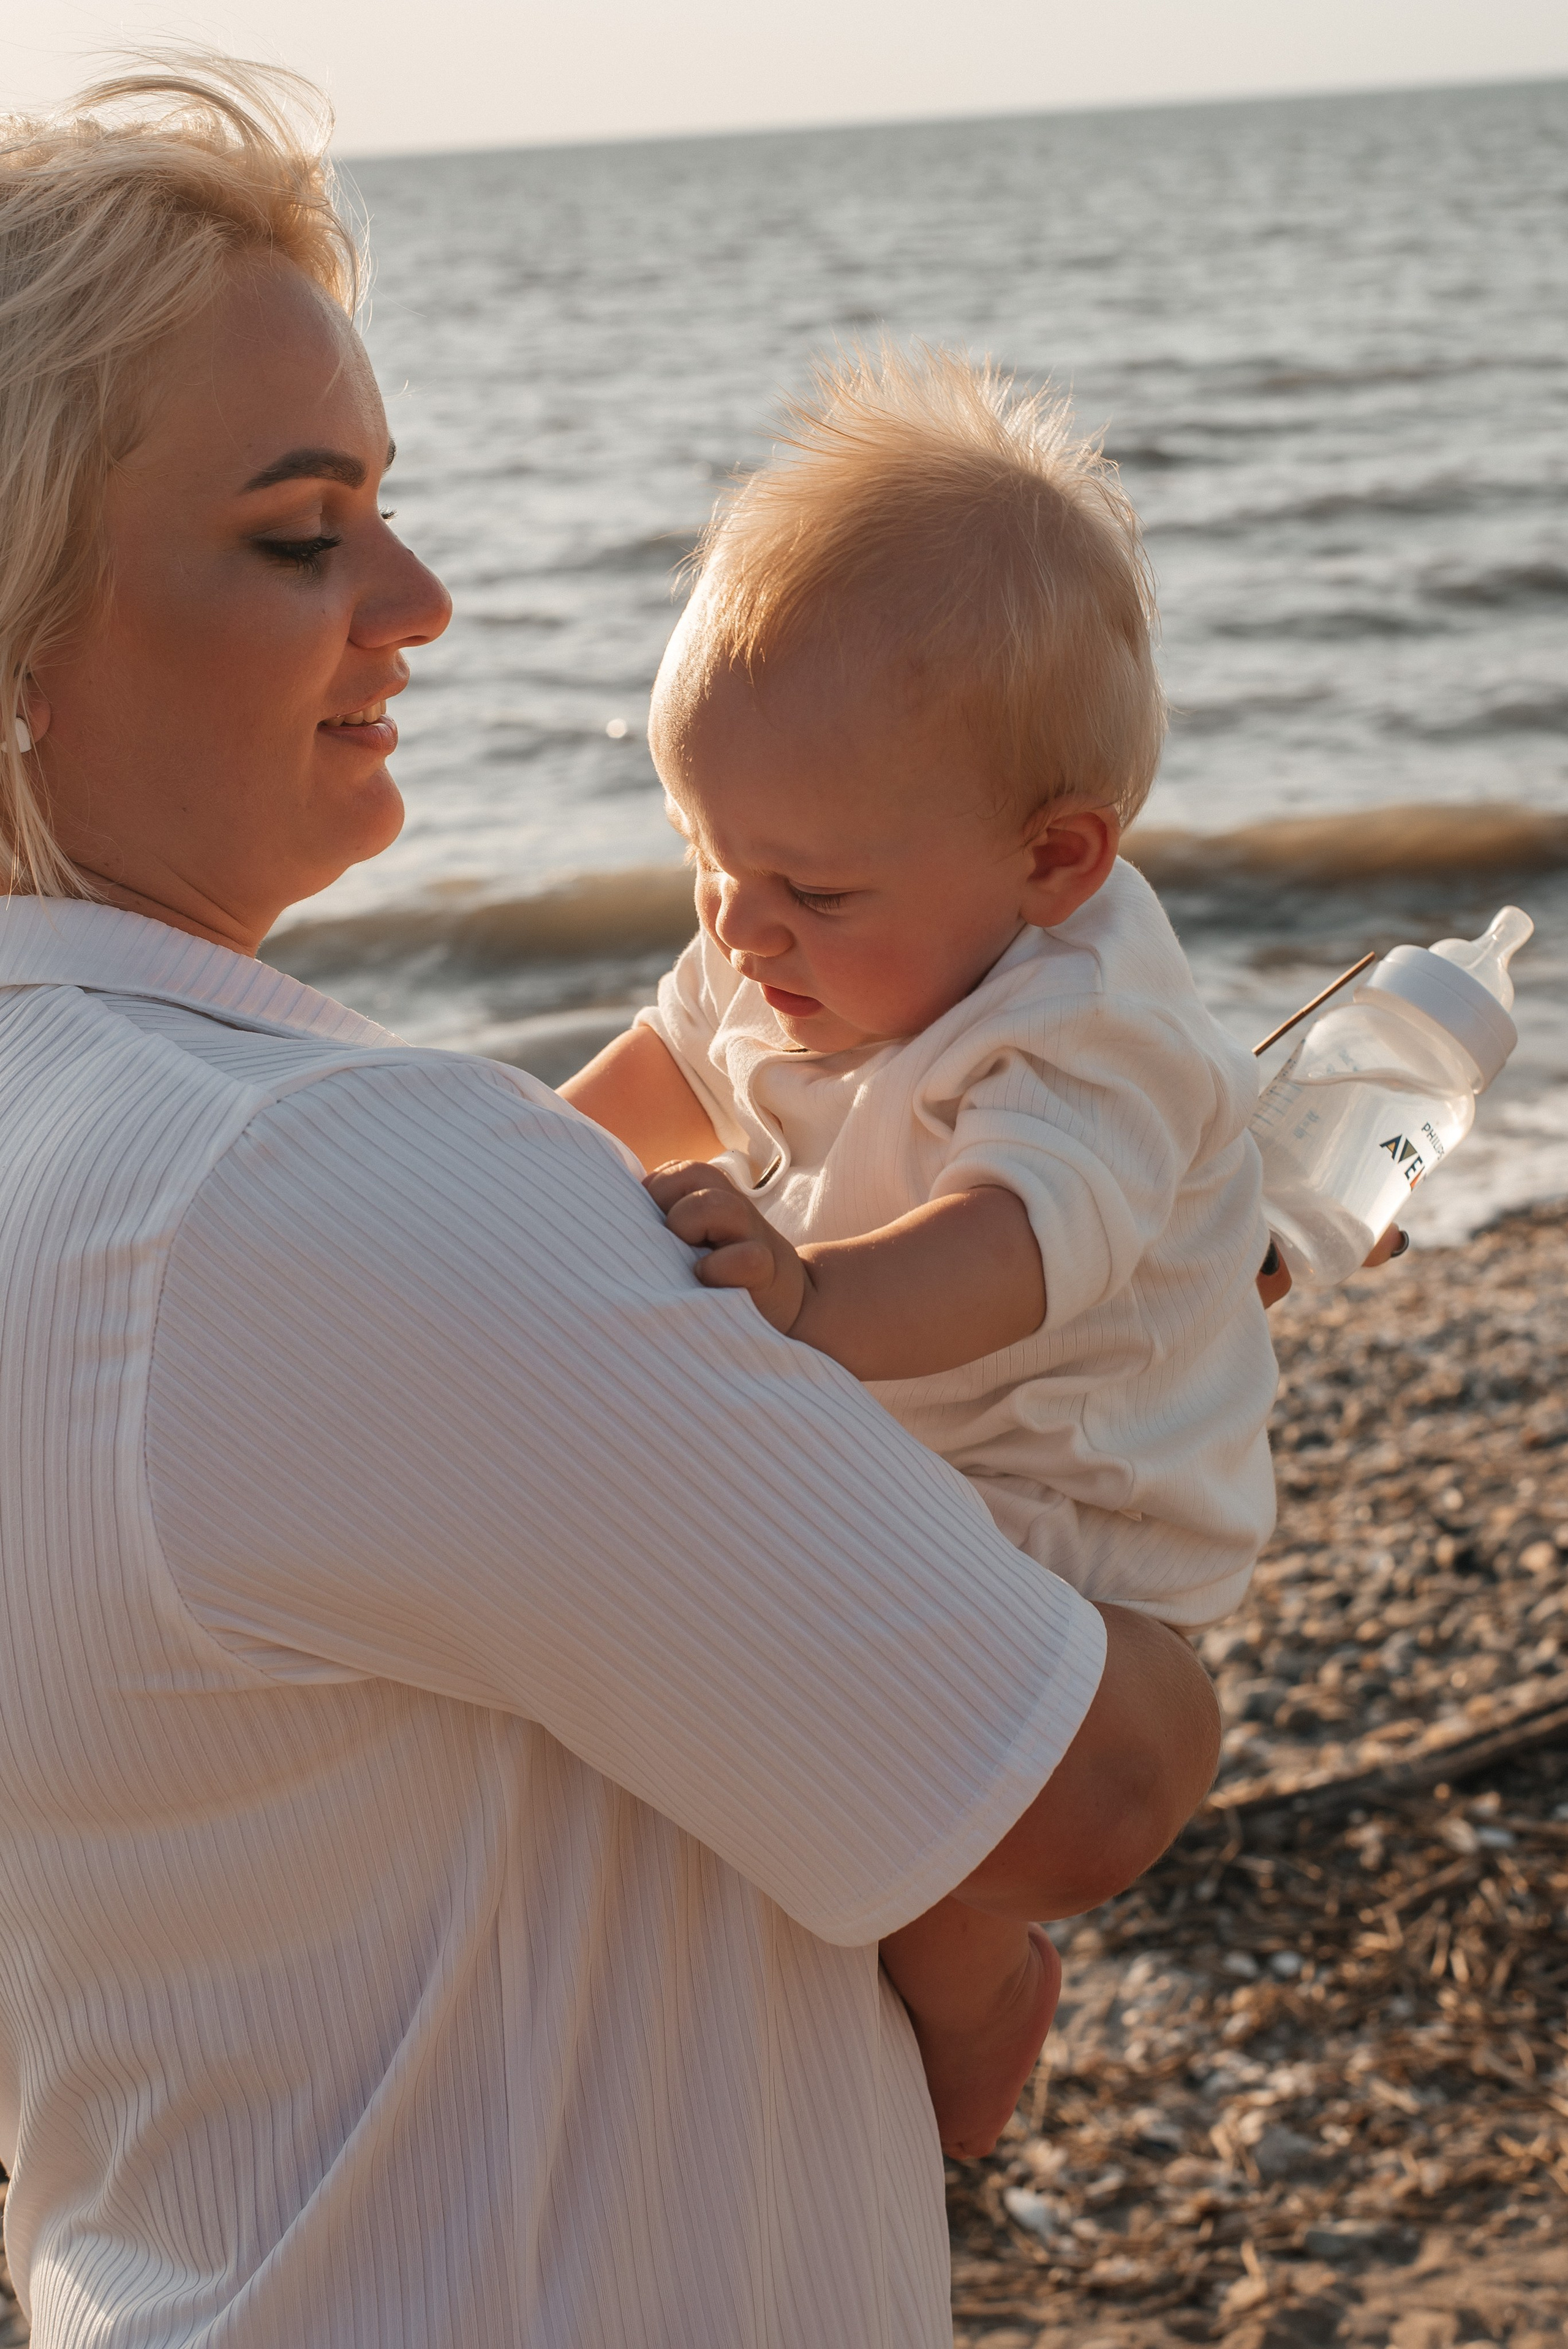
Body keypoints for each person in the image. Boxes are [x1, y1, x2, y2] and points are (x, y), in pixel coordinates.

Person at [0, 59, 1224, 2349]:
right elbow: (1095, 1780)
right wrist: (1165, 1371)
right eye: (300, 531)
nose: (424, 595)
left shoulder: (66, 1135)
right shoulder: (307, 1184)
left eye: (388, 506)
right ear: (21, 638)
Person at [558, 349, 1270, 2151]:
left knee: (927, 1880)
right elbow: (670, 1059)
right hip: (912, 1451)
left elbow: (1011, 1249)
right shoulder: (800, 914)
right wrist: (518, 1163)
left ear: (1055, 856)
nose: (741, 922)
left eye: (806, 890)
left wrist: (809, 1297)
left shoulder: (1089, 1025)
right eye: (705, 854)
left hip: (1074, 1529)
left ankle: (986, 2012)